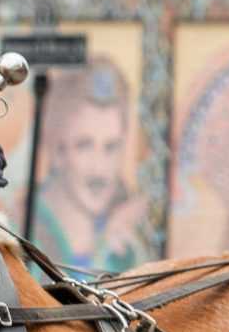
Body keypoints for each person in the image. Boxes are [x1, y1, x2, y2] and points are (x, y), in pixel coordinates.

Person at [30, 54, 144, 273]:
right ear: (58, 151)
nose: (99, 169)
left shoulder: (126, 245)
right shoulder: (18, 231)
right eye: (84, 145)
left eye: (111, 147)